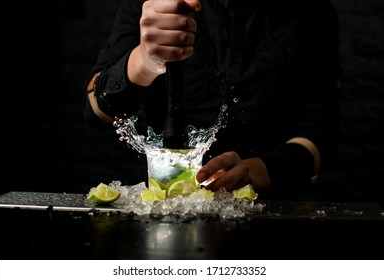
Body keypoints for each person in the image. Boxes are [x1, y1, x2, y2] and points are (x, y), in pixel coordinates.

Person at [83, 0, 342, 200]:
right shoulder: (151, 5)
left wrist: (261, 170)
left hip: (274, 212)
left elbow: (321, 133)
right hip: (165, 206)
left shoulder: (313, 11)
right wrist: (143, 62)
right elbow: (96, 112)